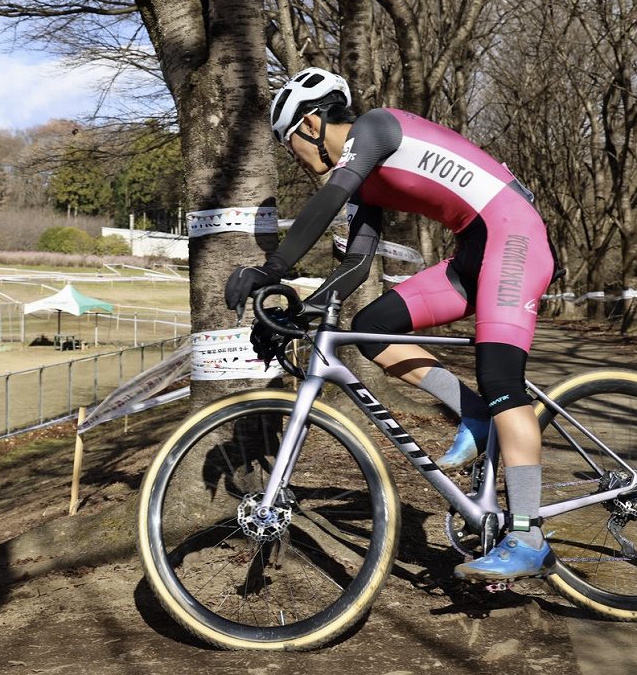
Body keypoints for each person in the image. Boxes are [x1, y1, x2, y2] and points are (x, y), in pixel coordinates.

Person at [226, 68, 560, 582]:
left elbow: (326, 202)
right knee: (372, 325)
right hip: (474, 252)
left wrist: (272, 270)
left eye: (288, 141)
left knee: (501, 381)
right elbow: (357, 266)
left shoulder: (376, 130)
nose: (292, 154)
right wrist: (299, 309)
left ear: (312, 124)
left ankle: (527, 533)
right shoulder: (365, 181)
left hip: (513, 238)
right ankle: (472, 413)